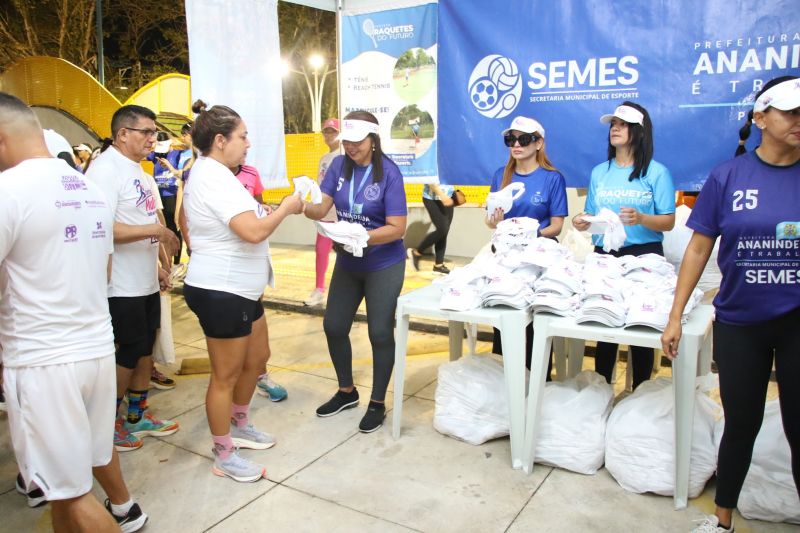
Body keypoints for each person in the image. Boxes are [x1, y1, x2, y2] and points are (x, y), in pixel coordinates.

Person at [0, 92, 148, 532]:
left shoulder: (8, 191)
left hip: (44, 361)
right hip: (95, 352)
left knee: (71, 494)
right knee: (65, 488)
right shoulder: (86, 187)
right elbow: (105, 268)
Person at [661, 76, 800, 533]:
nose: (799, 120)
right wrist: (675, 317)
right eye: (791, 112)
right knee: (741, 423)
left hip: (797, 323)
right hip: (741, 323)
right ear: (760, 118)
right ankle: (723, 521)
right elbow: (699, 249)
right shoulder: (728, 176)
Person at [181, 99, 303, 482]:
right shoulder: (212, 177)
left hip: (242, 290)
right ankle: (223, 453)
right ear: (220, 140)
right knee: (226, 375)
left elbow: (248, 218)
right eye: (243, 136)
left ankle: (240, 422)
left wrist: (274, 210)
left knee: (258, 358)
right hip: (222, 289)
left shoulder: (219, 174)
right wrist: (286, 208)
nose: (248, 143)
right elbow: (252, 231)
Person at [304, 111, 408, 433]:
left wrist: (362, 236)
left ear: (373, 140)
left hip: (383, 263)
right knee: (334, 326)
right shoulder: (338, 166)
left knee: (380, 333)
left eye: (357, 141)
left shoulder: (389, 173)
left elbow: (397, 228)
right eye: (346, 140)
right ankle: (347, 392)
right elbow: (321, 207)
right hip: (349, 262)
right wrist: (298, 204)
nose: (350, 147)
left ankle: (377, 402)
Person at [86, 104, 182, 452]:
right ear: (123, 134)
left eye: (155, 132)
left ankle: (136, 415)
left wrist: (158, 268)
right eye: (147, 132)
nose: (153, 139)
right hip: (120, 285)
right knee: (127, 352)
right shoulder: (104, 171)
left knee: (144, 348)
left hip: (144, 281)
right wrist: (155, 230)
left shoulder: (139, 171)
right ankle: (106, 424)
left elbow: (140, 219)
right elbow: (102, 227)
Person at [572, 102, 675, 389]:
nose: (615, 129)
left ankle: (640, 393)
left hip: (644, 257)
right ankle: (601, 391)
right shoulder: (599, 172)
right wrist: (582, 221)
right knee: (604, 327)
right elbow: (591, 212)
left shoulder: (657, 172)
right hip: (605, 256)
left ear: (639, 131)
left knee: (641, 328)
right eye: (613, 124)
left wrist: (642, 218)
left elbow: (668, 221)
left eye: (623, 124)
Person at [486, 115, 568, 374]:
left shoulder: (552, 178)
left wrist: (531, 235)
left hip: (539, 257)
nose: (516, 145)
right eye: (511, 140)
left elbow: (557, 225)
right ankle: (503, 379)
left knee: (537, 321)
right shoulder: (501, 175)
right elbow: (490, 221)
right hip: (506, 257)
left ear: (538, 143)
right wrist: (494, 221)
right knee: (503, 315)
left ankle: (539, 380)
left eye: (523, 139)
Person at [305, 117, 341, 307]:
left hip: (339, 213)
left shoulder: (343, 156)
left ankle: (345, 292)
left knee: (346, 253)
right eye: (326, 131)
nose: (329, 135)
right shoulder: (324, 158)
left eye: (333, 131)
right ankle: (319, 289)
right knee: (321, 250)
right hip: (325, 212)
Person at [407, 182, 455, 274]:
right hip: (432, 198)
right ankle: (416, 252)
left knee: (444, 232)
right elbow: (430, 181)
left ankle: (438, 265)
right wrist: (443, 196)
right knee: (442, 229)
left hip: (448, 196)